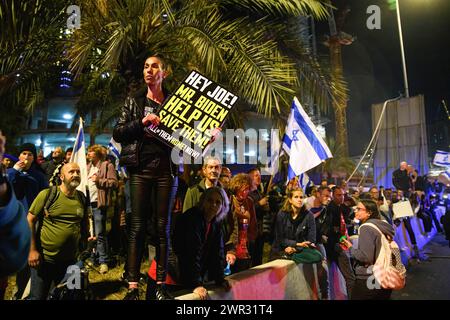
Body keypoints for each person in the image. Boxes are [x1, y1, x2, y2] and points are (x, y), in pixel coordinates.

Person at [113, 54, 178, 300]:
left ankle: (161, 284)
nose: (149, 71)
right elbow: (119, 132)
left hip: (166, 171)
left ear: (164, 72)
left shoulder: (174, 101)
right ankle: (132, 286)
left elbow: (190, 137)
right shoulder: (134, 101)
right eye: (145, 66)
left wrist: (209, 136)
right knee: (137, 227)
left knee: (163, 228)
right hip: (140, 170)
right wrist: (141, 123)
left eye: (154, 67)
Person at [27, 163, 90, 300]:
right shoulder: (48, 194)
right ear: (61, 176)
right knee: (38, 297)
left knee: (72, 296)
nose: (75, 175)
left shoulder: (81, 198)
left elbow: (84, 222)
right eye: (71, 172)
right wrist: (32, 251)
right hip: (44, 260)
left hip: (72, 261)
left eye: (78, 172)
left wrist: (86, 240)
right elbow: (30, 220)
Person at [171, 187, 232, 300]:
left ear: (223, 206)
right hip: (172, 273)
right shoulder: (192, 219)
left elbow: (217, 253)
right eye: (210, 200)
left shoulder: (215, 223)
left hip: (186, 272)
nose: (213, 205)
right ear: (203, 201)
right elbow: (191, 253)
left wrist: (220, 279)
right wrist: (195, 284)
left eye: (218, 202)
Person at [340, 199, 395, 300]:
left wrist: (350, 248)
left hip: (369, 278)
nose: (355, 211)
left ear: (369, 212)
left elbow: (365, 257)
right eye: (356, 208)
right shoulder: (381, 225)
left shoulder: (366, 228)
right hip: (384, 275)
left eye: (359, 209)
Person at [0, 131, 30, 299]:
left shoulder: (36, 176)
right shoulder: (10, 174)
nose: (26, 157)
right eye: (23, 153)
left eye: (29, 154)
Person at [86, 145, 118, 274]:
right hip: (87, 203)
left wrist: (99, 180)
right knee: (90, 233)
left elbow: (114, 182)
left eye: (91, 151)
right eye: (88, 151)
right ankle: (93, 258)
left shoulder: (106, 165)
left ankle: (104, 261)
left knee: (100, 233)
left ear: (98, 153)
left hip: (98, 203)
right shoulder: (87, 166)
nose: (88, 153)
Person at [324, 186, 355, 299]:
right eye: (338, 195)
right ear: (332, 196)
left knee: (349, 277)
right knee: (348, 277)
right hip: (333, 246)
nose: (341, 197)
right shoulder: (329, 209)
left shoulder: (342, 207)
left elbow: (349, 213)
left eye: (342, 195)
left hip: (340, 243)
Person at [271, 188, 316, 259]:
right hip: (280, 250)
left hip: (300, 251)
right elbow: (279, 238)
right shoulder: (282, 214)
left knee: (318, 256)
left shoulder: (309, 215)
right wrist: (297, 244)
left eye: (301, 197)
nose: (299, 200)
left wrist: (295, 249)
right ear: (290, 200)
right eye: (296, 197)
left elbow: (312, 239)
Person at [226, 173, 256, 273]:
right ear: (236, 187)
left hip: (244, 245)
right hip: (232, 242)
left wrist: (250, 239)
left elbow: (253, 224)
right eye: (241, 188)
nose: (244, 191)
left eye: (247, 189)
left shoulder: (249, 202)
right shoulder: (230, 200)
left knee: (243, 274)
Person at [247, 168, 269, 266]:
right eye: (256, 175)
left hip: (259, 231)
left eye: (259, 175)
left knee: (258, 259)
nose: (259, 177)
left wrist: (266, 208)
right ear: (250, 178)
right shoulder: (246, 193)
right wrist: (259, 204)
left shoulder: (259, 193)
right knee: (249, 258)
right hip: (250, 232)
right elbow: (247, 210)